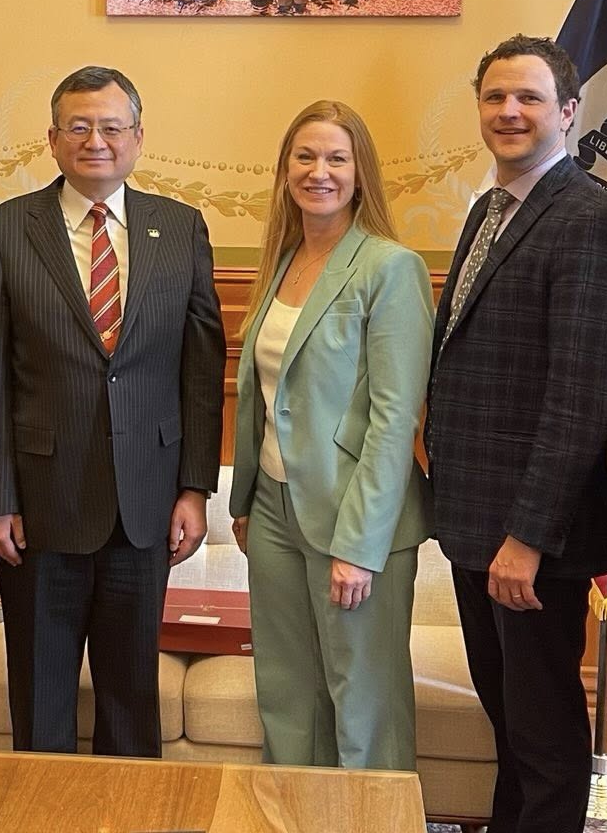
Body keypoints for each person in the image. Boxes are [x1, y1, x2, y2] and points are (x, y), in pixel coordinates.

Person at [0, 65, 225, 758]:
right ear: (52, 140)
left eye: (112, 126)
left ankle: (133, 812)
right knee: (41, 698)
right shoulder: (4, 232)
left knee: (131, 701)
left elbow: (201, 373)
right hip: (39, 511)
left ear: (138, 137)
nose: (96, 141)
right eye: (78, 127)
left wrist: (194, 488)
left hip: (145, 509)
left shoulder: (181, 228)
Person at [425, 35, 607, 832]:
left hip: (532, 539)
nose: (509, 111)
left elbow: (578, 398)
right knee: (510, 725)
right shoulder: (492, 209)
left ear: (569, 111)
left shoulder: (585, 219)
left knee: (545, 737)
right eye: (495, 97)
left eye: (528, 98)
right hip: (476, 523)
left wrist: (528, 539)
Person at [228, 100, 433, 770]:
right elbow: (266, 396)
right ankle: (293, 814)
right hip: (274, 510)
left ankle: (374, 816)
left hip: (354, 519)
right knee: (288, 697)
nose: (319, 172)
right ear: (285, 169)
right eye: (306, 157)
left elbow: (394, 419)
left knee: (364, 707)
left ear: (360, 171)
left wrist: (361, 547)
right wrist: (246, 502)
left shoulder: (389, 267)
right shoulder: (282, 260)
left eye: (336, 158)